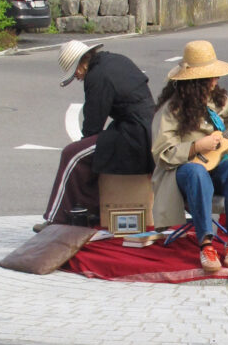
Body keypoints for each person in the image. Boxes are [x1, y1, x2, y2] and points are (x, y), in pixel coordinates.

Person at [151, 40, 228, 273]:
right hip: (185, 172)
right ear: (194, 82)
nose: (215, 81)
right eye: (210, 77)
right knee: (197, 171)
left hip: (218, 168)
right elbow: (162, 153)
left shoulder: (222, 102)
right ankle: (206, 244)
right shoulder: (172, 110)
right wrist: (197, 145)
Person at [36, 40, 155, 231]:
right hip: (146, 127)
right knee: (91, 151)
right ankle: (87, 209)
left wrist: (87, 142)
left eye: (75, 71)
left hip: (134, 133)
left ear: (82, 63)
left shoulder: (97, 76)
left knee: (72, 154)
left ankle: (55, 219)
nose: (77, 76)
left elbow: (93, 123)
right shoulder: (115, 60)